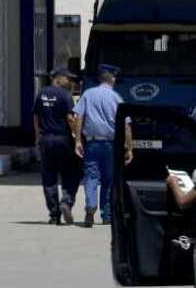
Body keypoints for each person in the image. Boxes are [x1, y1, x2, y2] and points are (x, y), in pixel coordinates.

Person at [73, 65, 133, 228]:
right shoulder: (116, 98)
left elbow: (79, 117)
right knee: (108, 180)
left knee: (91, 177)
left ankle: (90, 205)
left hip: (92, 143)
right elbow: (126, 126)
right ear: (112, 79)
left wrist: (78, 140)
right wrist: (129, 148)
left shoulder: (87, 94)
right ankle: (106, 215)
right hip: (110, 145)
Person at [33, 68, 80, 225]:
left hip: (46, 140)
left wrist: (38, 137)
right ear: (57, 78)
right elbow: (70, 118)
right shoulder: (65, 95)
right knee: (70, 173)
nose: (70, 82)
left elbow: (36, 118)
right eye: (67, 78)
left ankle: (54, 215)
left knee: (49, 177)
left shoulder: (40, 94)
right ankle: (66, 202)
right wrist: (77, 137)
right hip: (63, 140)